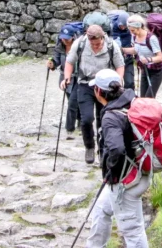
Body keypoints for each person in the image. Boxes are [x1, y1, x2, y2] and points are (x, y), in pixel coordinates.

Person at [86, 69, 150, 248]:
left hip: (125, 180)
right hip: (139, 171)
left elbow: (117, 149)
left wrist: (110, 170)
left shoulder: (111, 117)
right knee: (101, 209)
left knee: (133, 230)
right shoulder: (132, 101)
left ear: (99, 91)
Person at [62, 24, 125, 165]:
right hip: (84, 84)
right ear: (88, 38)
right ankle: (89, 146)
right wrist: (67, 78)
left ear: (102, 37)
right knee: (86, 119)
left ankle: (103, 150)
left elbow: (120, 65)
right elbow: (69, 62)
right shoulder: (80, 43)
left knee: (103, 119)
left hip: (105, 87)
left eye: (98, 43)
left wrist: (119, 81)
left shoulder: (111, 45)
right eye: (93, 44)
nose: (96, 46)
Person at [47, 25, 81, 136]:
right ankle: (80, 120)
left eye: (67, 38)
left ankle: (69, 128)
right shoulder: (59, 47)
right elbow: (56, 61)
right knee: (73, 100)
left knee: (72, 101)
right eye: (63, 37)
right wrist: (52, 64)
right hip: (65, 78)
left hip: (78, 77)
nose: (65, 40)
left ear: (73, 36)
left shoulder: (80, 46)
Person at [122, 15, 162, 98]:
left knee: (149, 98)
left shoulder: (151, 38)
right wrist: (122, 50)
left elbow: (160, 57)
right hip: (145, 70)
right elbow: (136, 50)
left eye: (133, 30)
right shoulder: (134, 37)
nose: (131, 32)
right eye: (130, 30)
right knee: (142, 98)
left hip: (156, 71)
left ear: (138, 27)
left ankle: (153, 111)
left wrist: (148, 59)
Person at [110, 11, 135, 90]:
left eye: (125, 26)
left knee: (129, 83)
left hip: (128, 59)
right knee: (115, 84)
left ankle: (130, 99)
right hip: (116, 60)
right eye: (121, 26)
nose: (123, 28)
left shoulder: (132, 30)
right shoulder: (111, 28)